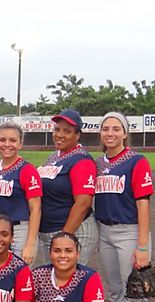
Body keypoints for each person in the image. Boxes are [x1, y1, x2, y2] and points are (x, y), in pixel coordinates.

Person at [92, 112, 155, 302]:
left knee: (136, 299)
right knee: (117, 295)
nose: (110, 133)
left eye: (116, 129)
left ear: (124, 133)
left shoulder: (136, 161)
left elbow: (143, 204)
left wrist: (142, 245)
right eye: (106, 128)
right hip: (104, 231)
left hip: (130, 232)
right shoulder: (98, 164)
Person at [37, 109, 98, 266]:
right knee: (52, 283)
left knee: (68, 283)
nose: (60, 135)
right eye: (57, 129)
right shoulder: (54, 157)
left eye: (67, 131)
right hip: (50, 231)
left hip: (75, 231)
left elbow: (83, 203)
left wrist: (65, 237)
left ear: (77, 135)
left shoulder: (81, 160)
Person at [0, 122, 42, 264]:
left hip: (19, 230)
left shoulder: (27, 170)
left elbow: (36, 209)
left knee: (18, 278)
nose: (7, 144)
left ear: (21, 144)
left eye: (13, 140)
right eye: (3, 139)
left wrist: (30, 244)